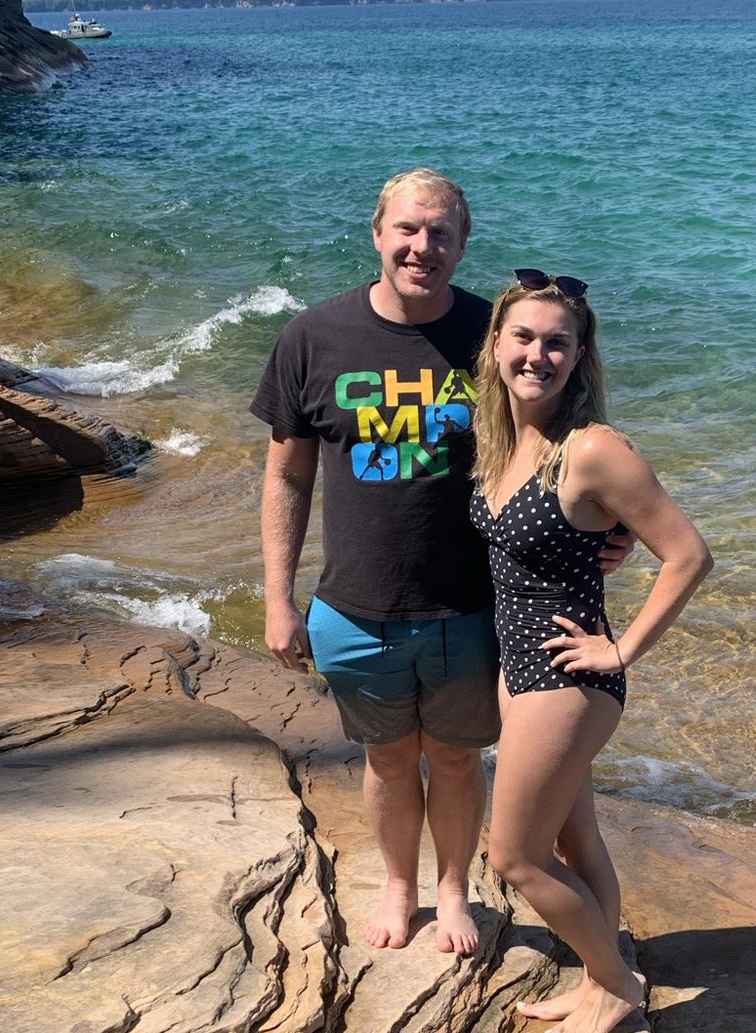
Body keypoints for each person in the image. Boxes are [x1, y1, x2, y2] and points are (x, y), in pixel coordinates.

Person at [252, 170, 628, 958]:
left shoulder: (495, 336)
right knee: (387, 760)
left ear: (462, 245)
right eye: (409, 230)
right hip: (353, 602)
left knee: (456, 760)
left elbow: (570, 439)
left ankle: (454, 892)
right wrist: (278, 601)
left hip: (472, 604)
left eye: (442, 234)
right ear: (378, 232)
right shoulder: (313, 336)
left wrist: (605, 532)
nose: (423, 248)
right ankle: (400, 886)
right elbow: (287, 474)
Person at [470, 271, 713, 1033]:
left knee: (513, 856)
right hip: (520, 671)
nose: (538, 355)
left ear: (580, 357)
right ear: (497, 344)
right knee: (574, 842)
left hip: (568, 679)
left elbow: (687, 555)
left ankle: (614, 983)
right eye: (525, 337)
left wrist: (620, 649)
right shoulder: (504, 441)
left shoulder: (594, 450)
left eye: (557, 343)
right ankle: (598, 980)